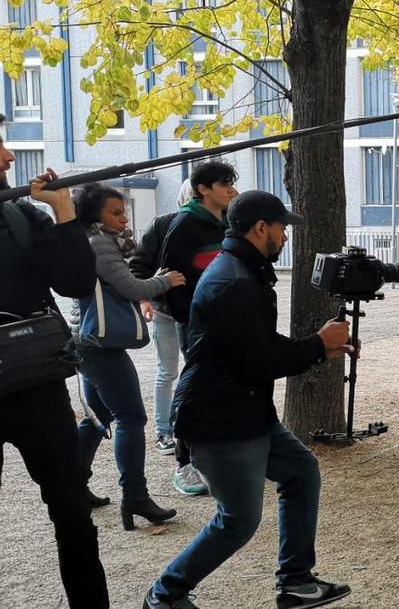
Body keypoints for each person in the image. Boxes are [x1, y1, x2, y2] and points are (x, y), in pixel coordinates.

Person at [144, 191, 355, 609]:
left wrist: (320, 348)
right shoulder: (235, 281)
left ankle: (295, 581)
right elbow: (257, 359)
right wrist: (315, 345)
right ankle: (165, 595)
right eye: (282, 228)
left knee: (300, 471)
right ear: (261, 229)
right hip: (220, 418)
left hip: (245, 409)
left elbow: (254, 346)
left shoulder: (243, 269)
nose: (285, 236)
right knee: (238, 521)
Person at [0, 117, 111, 608]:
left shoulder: (20, 216)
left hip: (36, 385)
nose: (7, 158)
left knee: (71, 510)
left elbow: (75, 282)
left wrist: (65, 212)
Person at [71, 183, 183, 530]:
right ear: (95, 216)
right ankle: (134, 496)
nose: (124, 219)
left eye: (124, 212)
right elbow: (131, 288)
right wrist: (165, 280)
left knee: (99, 414)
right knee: (132, 417)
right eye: (115, 213)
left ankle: (72, 485)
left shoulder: (90, 240)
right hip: (101, 346)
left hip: (87, 343)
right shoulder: (100, 244)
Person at [159, 160, 239, 496]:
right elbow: (171, 278)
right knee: (193, 390)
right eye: (224, 185)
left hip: (224, 321)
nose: (232, 191)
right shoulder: (185, 224)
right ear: (203, 189)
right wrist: (190, 320)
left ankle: (220, 455)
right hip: (194, 324)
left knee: (224, 388)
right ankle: (184, 463)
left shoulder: (226, 222)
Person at [131, 179, 195, 457]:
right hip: (166, 309)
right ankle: (164, 431)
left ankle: (188, 430)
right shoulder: (164, 224)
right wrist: (146, 297)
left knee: (193, 370)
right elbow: (138, 265)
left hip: (198, 312)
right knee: (168, 371)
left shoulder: (219, 224)